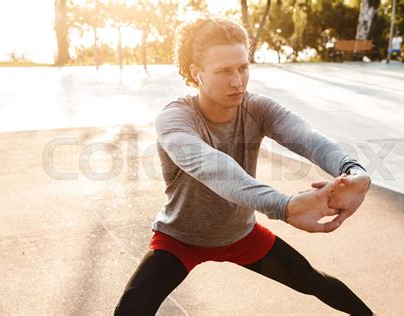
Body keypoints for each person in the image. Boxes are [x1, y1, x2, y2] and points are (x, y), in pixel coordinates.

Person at [115, 17, 373, 315]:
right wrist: (284, 205)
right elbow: (214, 167)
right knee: (130, 310)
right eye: (224, 71)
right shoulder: (176, 119)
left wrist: (354, 172)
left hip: (242, 235)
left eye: (243, 67)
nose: (237, 81)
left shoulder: (258, 107)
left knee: (315, 282)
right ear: (195, 73)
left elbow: (307, 138)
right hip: (181, 239)